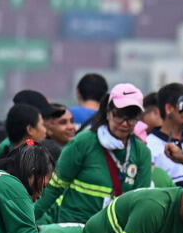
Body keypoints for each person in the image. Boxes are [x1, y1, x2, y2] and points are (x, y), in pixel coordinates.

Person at [45, 82, 152, 225]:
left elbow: (140, 203)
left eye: (132, 118)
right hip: (75, 227)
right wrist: (27, 226)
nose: (125, 123)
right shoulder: (83, 142)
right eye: (119, 115)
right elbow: (53, 189)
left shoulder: (142, 152)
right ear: (108, 112)